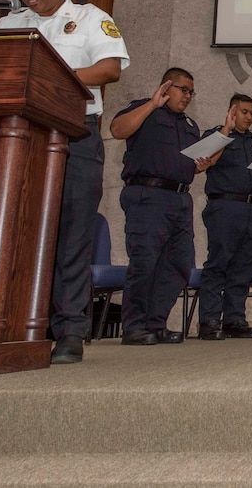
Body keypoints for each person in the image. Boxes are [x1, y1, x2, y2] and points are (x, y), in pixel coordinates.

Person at [0, 0, 129, 365]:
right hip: (19, 138)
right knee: (18, 230)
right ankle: (13, 323)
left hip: (75, 136)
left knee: (72, 234)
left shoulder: (89, 17)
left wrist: (49, 76)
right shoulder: (7, 24)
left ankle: (70, 329)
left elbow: (109, 69)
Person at [110, 68, 209, 345]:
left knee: (178, 264)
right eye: (183, 89)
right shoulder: (145, 108)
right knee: (145, 261)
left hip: (180, 198)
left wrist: (201, 166)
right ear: (166, 86)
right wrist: (152, 104)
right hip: (148, 195)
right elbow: (117, 130)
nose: (188, 96)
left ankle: (155, 323)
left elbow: (183, 163)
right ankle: (134, 326)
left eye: (191, 92)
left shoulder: (190, 125)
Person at [197, 94, 252, 341]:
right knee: (219, 263)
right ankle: (209, 319)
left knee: (244, 265)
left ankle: (234, 318)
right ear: (232, 111)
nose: (249, 117)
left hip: (251, 208)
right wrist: (225, 130)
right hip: (225, 206)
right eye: (244, 112)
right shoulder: (217, 135)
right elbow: (206, 162)